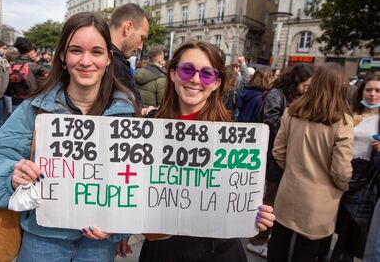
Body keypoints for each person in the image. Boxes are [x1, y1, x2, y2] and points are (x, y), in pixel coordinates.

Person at [0, 12, 139, 261]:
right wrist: (11, 175)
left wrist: (118, 226)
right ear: (62, 56)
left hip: (98, 246)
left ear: (108, 59)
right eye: (75, 50)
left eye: (96, 51)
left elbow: (139, 184)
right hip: (42, 242)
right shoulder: (35, 109)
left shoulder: (127, 113)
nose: (85, 61)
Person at [134, 41, 275, 262]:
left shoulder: (235, 137)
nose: (196, 79)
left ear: (217, 83)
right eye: (187, 69)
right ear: (173, 74)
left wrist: (253, 213)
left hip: (217, 252)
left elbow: (238, 195)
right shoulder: (149, 127)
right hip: (163, 250)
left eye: (206, 74)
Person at [268, 63, 354, 261]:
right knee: (306, 252)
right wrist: (342, 187)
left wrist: (293, 171)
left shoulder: (292, 111)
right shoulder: (343, 122)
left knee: (278, 243)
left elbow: (278, 152)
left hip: (289, 190)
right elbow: (341, 171)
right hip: (320, 199)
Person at [246, 63, 314, 257]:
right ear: (295, 81)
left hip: (281, 154)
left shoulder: (293, 97)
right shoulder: (276, 95)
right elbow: (270, 122)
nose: (306, 90)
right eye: (305, 85)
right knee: (270, 200)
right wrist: (293, 125)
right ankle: (257, 239)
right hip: (271, 154)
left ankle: (263, 235)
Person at [331, 74, 380, 261]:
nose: (373, 94)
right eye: (369, 90)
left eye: (377, 90)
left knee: (352, 228)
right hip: (342, 172)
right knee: (338, 223)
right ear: (362, 91)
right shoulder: (351, 113)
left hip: (364, 181)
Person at [110, 3, 150, 106]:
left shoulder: (107, 62)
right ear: (128, 28)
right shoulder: (116, 66)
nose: (141, 47)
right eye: (142, 38)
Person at [10, 37, 48, 107]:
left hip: (15, 102)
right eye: (34, 52)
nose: (35, 54)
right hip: (32, 101)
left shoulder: (11, 65)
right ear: (28, 53)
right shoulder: (36, 67)